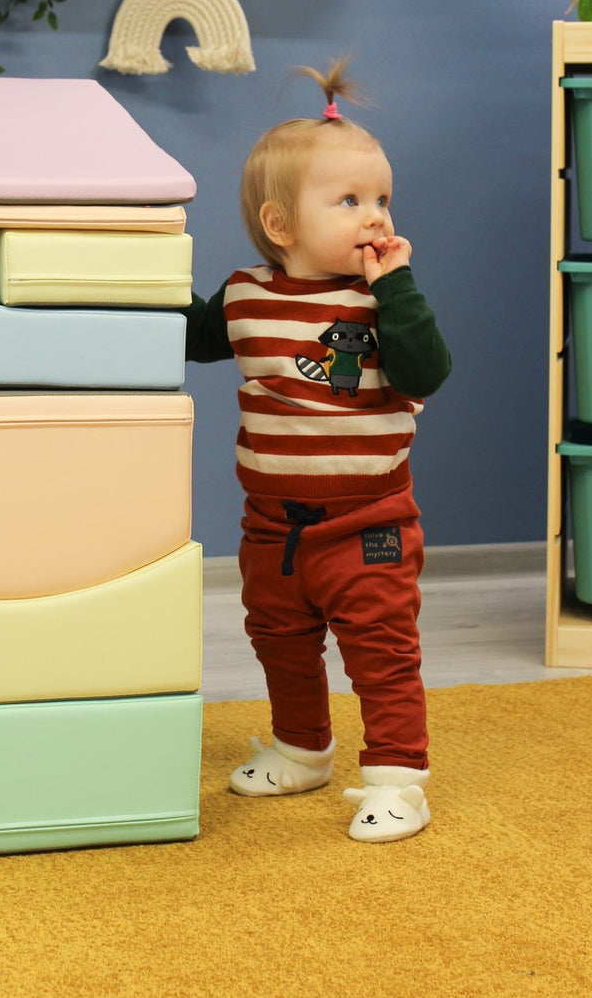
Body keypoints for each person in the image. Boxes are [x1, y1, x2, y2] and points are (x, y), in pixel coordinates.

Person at [184, 59, 451, 842]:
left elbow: (427, 369)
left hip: (369, 519)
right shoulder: (243, 297)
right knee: (277, 634)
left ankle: (400, 777)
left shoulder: (382, 299)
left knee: (381, 646)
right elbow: (187, 334)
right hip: (273, 523)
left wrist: (399, 286)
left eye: (382, 199)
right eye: (350, 201)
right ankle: (303, 745)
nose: (376, 217)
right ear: (280, 225)